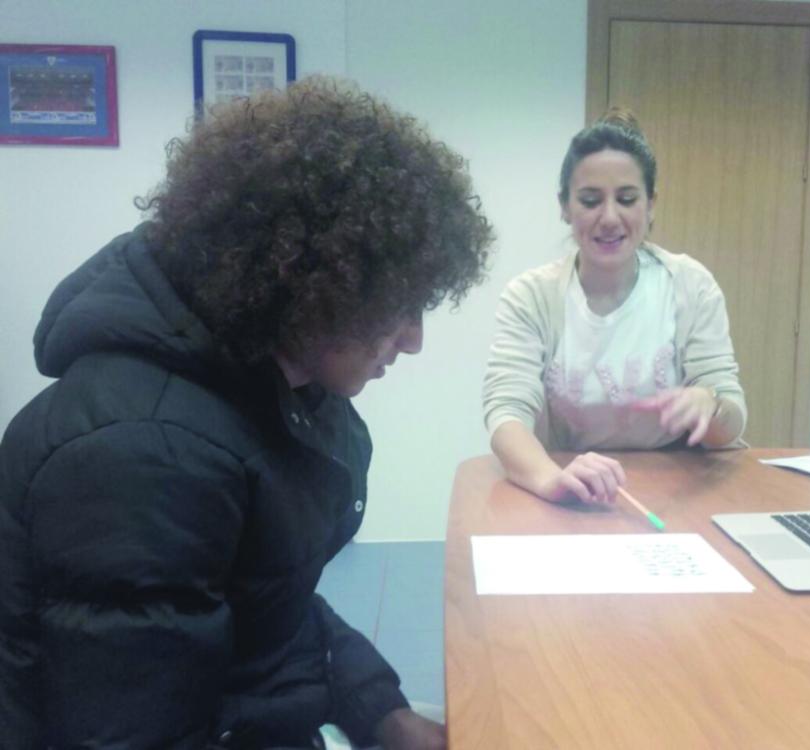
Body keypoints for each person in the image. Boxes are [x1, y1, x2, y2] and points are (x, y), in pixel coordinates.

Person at [0, 76, 492, 749]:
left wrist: (382, 711)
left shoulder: (280, 393)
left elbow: (272, 607)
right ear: (313, 281)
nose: (413, 340)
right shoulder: (142, 457)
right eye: (400, 306)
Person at [482, 109, 745, 505]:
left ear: (651, 204)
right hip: (572, 484)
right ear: (564, 206)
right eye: (590, 200)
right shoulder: (531, 296)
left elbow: (731, 419)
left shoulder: (691, 285)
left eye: (626, 199)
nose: (609, 217)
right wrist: (552, 481)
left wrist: (711, 405)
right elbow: (506, 414)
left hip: (679, 491)